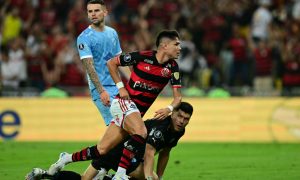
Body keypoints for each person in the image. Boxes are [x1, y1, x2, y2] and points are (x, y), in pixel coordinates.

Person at [47, 30, 182, 180]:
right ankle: (120, 175)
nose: (179, 48)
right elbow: (112, 63)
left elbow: (178, 98)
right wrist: (121, 87)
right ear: (164, 45)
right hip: (124, 103)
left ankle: (66, 158)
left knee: (102, 150)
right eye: (176, 44)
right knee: (141, 132)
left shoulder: (173, 67)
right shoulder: (142, 57)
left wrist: (169, 109)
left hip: (134, 113)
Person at [26, 102, 193, 180]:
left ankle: (45, 175)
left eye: (186, 119)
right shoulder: (161, 129)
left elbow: (165, 153)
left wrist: (161, 177)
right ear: (173, 114)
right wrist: (151, 178)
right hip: (124, 153)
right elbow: (150, 154)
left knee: (85, 179)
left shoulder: (178, 131)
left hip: (127, 153)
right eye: (179, 116)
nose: (181, 121)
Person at [77, 0, 122, 126]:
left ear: (105, 12)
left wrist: (133, 83)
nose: (93, 14)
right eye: (90, 11)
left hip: (117, 87)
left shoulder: (112, 33)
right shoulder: (84, 37)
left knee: (125, 126)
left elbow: (120, 61)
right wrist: (101, 91)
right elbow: (89, 67)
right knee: (117, 127)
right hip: (101, 89)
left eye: (96, 10)